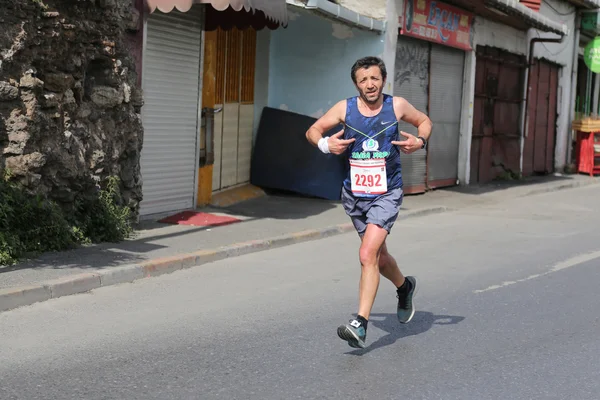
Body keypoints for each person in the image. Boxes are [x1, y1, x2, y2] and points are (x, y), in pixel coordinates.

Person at [305, 56, 433, 349]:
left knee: (366, 254)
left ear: (383, 80)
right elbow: (312, 131)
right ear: (356, 84)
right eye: (363, 80)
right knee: (379, 258)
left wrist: (420, 141)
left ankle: (360, 324)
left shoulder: (396, 105)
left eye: (374, 78)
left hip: (387, 193)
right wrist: (326, 144)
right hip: (355, 195)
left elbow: (424, 121)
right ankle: (404, 286)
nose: (369, 84)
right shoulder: (344, 108)